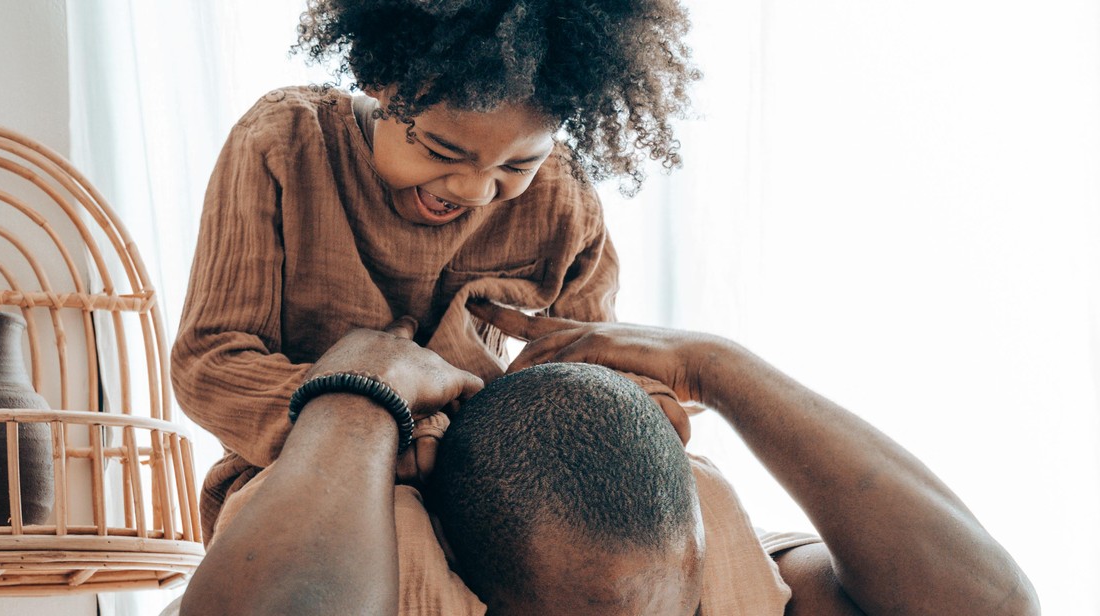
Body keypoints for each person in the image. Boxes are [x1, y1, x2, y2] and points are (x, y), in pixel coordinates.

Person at [170, 0, 698, 541]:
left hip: (499, 479)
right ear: (380, 80)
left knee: (699, 503)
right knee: (398, 536)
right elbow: (209, 364)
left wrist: (637, 402)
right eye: (442, 150)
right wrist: (373, 418)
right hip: (308, 463)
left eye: (517, 166)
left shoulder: (563, 201)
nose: (474, 190)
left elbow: (597, 362)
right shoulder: (284, 143)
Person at [175, 305, 1040, 615]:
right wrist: (358, 399)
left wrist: (718, 366)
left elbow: (991, 608)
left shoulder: (706, 558)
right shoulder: (388, 564)